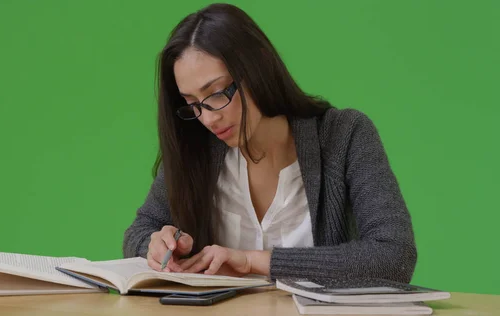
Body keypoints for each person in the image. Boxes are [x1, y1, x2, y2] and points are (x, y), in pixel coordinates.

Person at [122, 3, 417, 283]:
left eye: (216, 93)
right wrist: (157, 245)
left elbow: (394, 256)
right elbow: (139, 231)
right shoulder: (196, 148)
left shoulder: (345, 135)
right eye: (193, 104)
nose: (208, 119)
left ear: (258, 67)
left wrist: (254, 261)